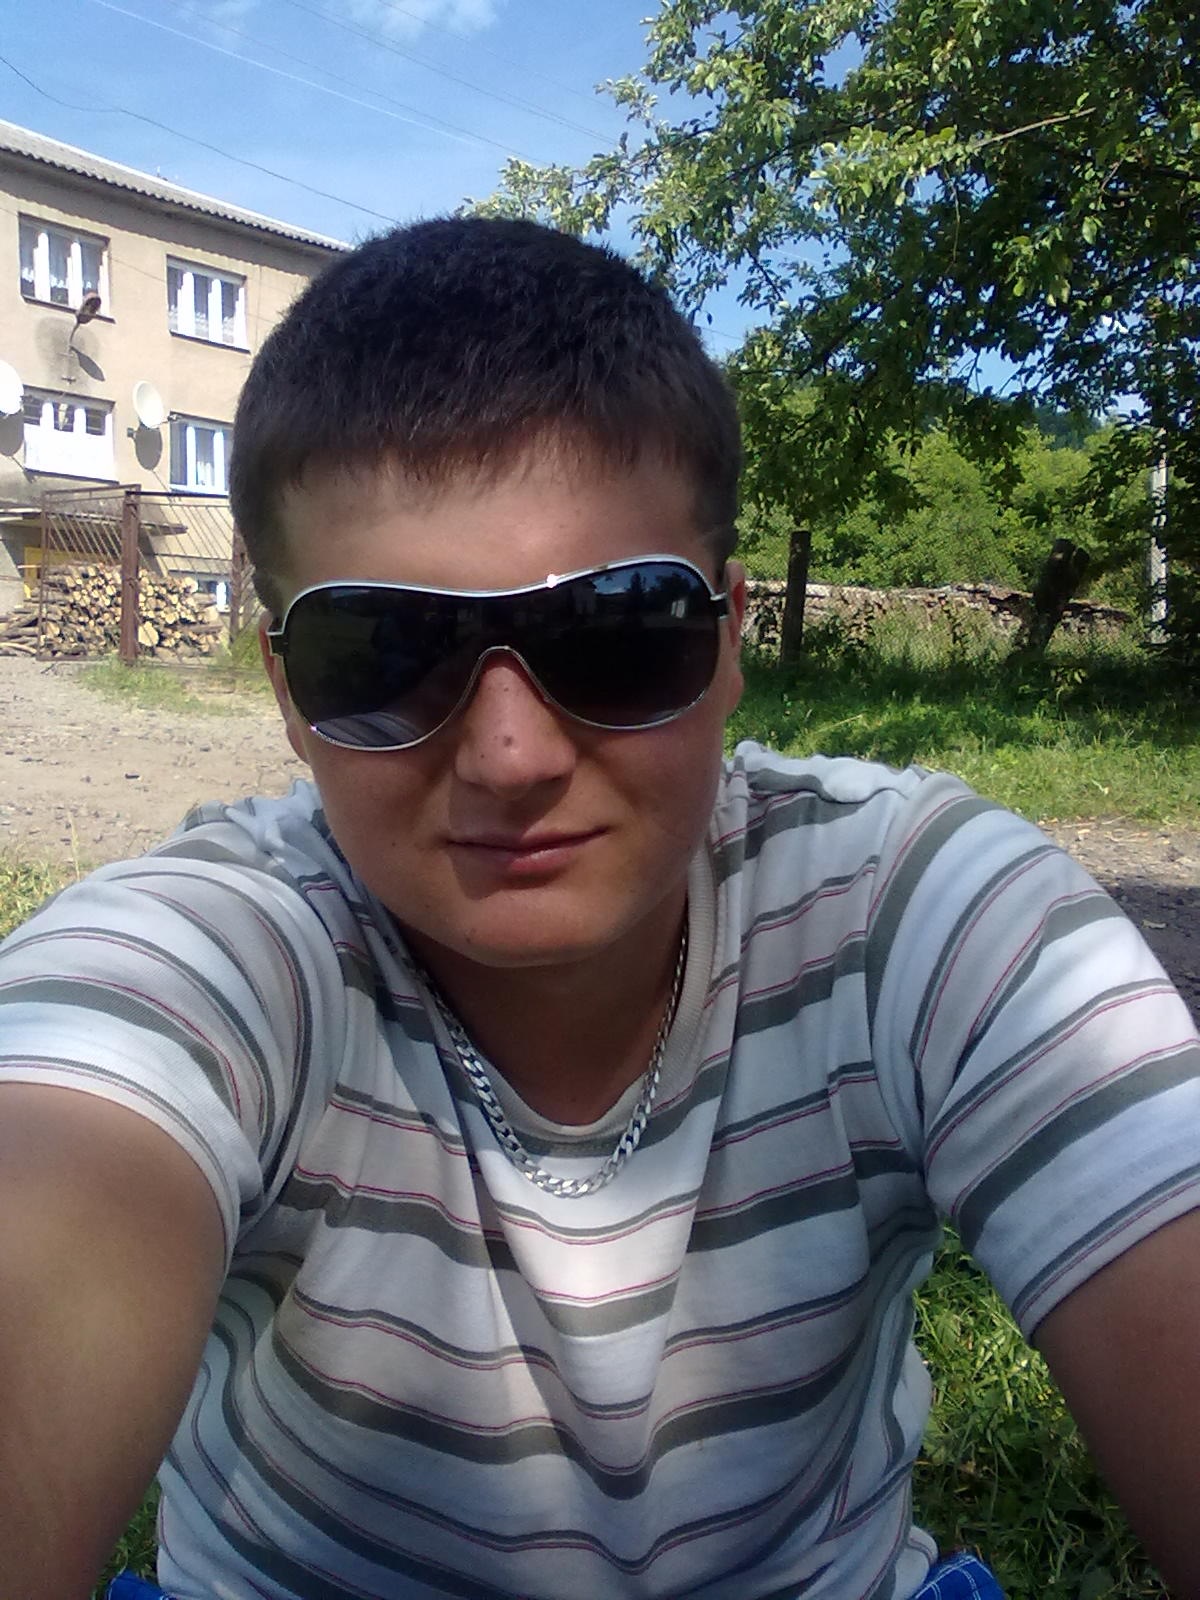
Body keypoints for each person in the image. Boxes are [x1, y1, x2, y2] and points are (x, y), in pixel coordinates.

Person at [1, 218, 1198, 1600]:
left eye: (619, 632)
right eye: (383, 652)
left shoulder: (911, 913)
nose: (511, 754)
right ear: (286, 691)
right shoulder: (225, 954)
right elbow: (74, 1116)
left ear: (730, 639)